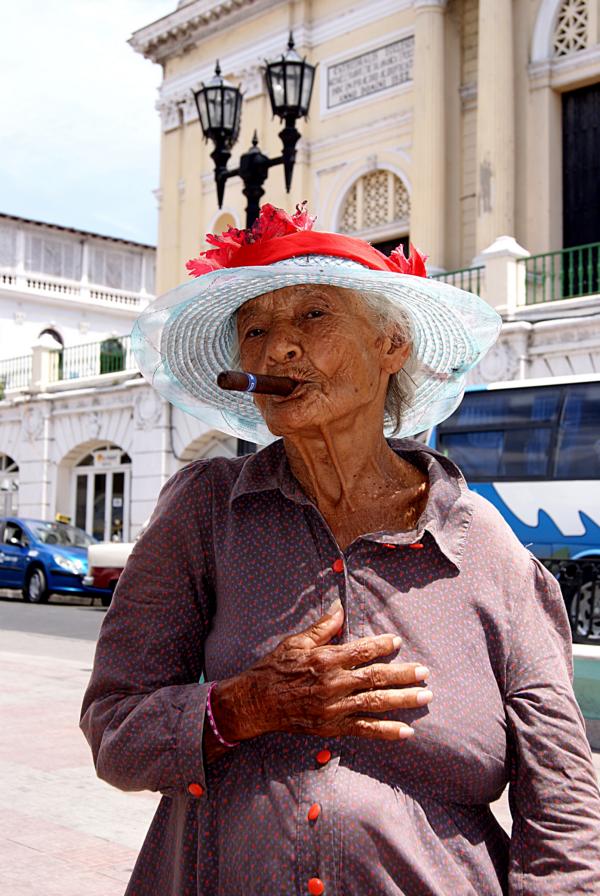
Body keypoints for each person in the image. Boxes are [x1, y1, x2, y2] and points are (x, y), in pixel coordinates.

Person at [80, 204, 600, 895]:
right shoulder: (205, 510)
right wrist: (245, 705)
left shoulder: (483, 546)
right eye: (254, 329)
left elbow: (562, 797)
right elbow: (116, 732)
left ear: (392, 347)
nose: (277, 350)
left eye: (313, 317)